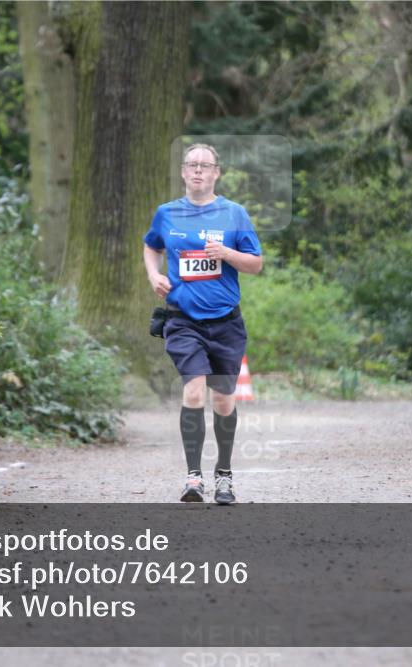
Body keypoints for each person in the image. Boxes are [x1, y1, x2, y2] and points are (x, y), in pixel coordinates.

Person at [142, 143, 263, 504]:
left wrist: (227, 254)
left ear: (216, 173)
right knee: (194, 389)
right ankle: (193, 478)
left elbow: (255, 264)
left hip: (226, 324)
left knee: (224, 400)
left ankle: (223, 475)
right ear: (183, 172)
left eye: (204, 165)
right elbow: (151, 247)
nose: (197, 170)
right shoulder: (167, 214)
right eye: (191, 165)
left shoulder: (234, 214)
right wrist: (154, 275)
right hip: (183, 322)